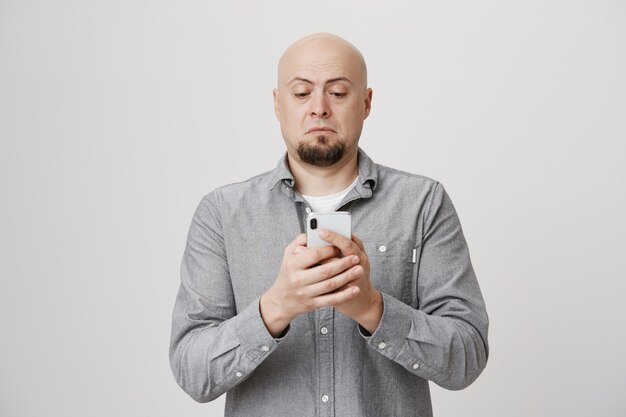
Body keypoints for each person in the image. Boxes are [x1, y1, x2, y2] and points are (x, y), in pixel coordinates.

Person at [169, 32, 489, 417]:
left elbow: (467, 358)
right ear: (277, 104)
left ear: (366, 103)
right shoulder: (222, 213)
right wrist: (275, 309)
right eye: (302, 93)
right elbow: (192, 372)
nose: (319, 108)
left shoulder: (423, 203)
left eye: (337, 93)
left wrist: (373, 308)